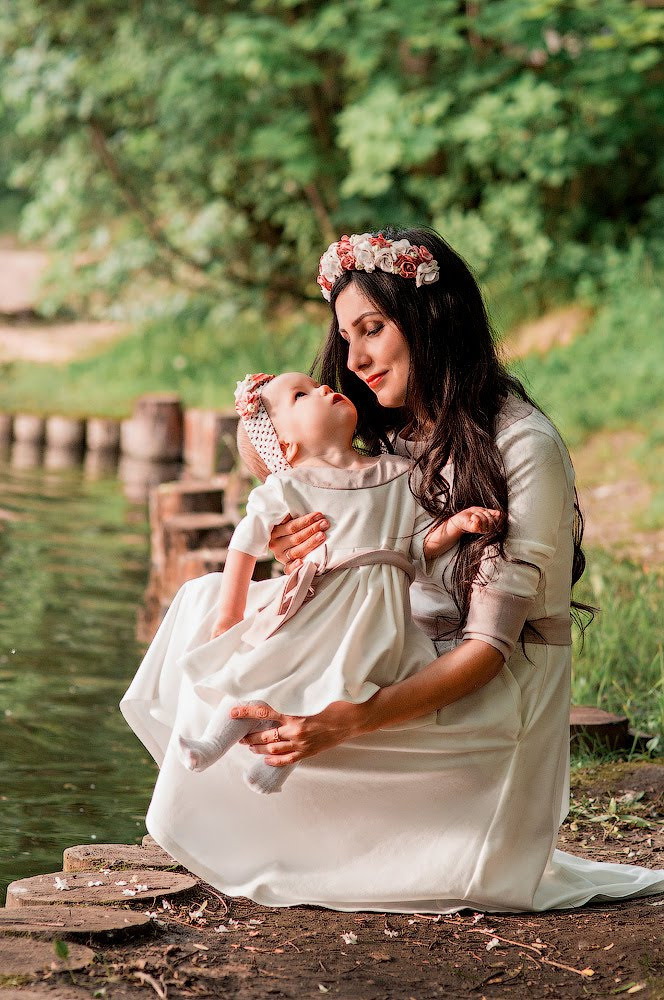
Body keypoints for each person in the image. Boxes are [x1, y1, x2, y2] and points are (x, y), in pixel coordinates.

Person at [120, 228, 664, 913]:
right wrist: (298, 548)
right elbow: (333, 523)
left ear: (429, 320)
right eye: (347, 338)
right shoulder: (395, 432)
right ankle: (260, 794)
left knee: (259, 692)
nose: (356, 358)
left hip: (489, 702)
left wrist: (346, 721)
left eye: (372, 329)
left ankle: (347, 824)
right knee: (206, 609)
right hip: (403, 648)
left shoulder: (525, 448)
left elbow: (487, 653)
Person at [174, 370, 500, 794]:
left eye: (314, 384)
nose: (323, 388)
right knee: (271, 666)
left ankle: (273, 768)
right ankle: (210, 742)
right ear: (286, 446)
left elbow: (419, 544)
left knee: (344, 684)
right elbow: (245, 545)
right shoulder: (290, 486)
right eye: (300, 395)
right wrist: (229, 613)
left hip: (379, 613)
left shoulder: (400, 474)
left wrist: (455, 525)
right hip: (321, 606)